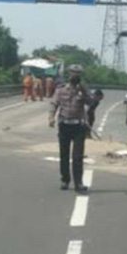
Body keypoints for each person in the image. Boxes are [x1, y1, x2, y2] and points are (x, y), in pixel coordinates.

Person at [49, 64, 91, 193]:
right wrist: (51, 117)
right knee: (64, 154)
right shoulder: (61, 89)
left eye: (77, 74)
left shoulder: (83, 90)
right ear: (69, 74)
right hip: (64, 125)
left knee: (78, 156)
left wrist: (84, 90)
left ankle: (78, 183)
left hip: (78, 126)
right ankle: (65, 179)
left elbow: (90, 102)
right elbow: (54, 103)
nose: (75, 75)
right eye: (73, 73)